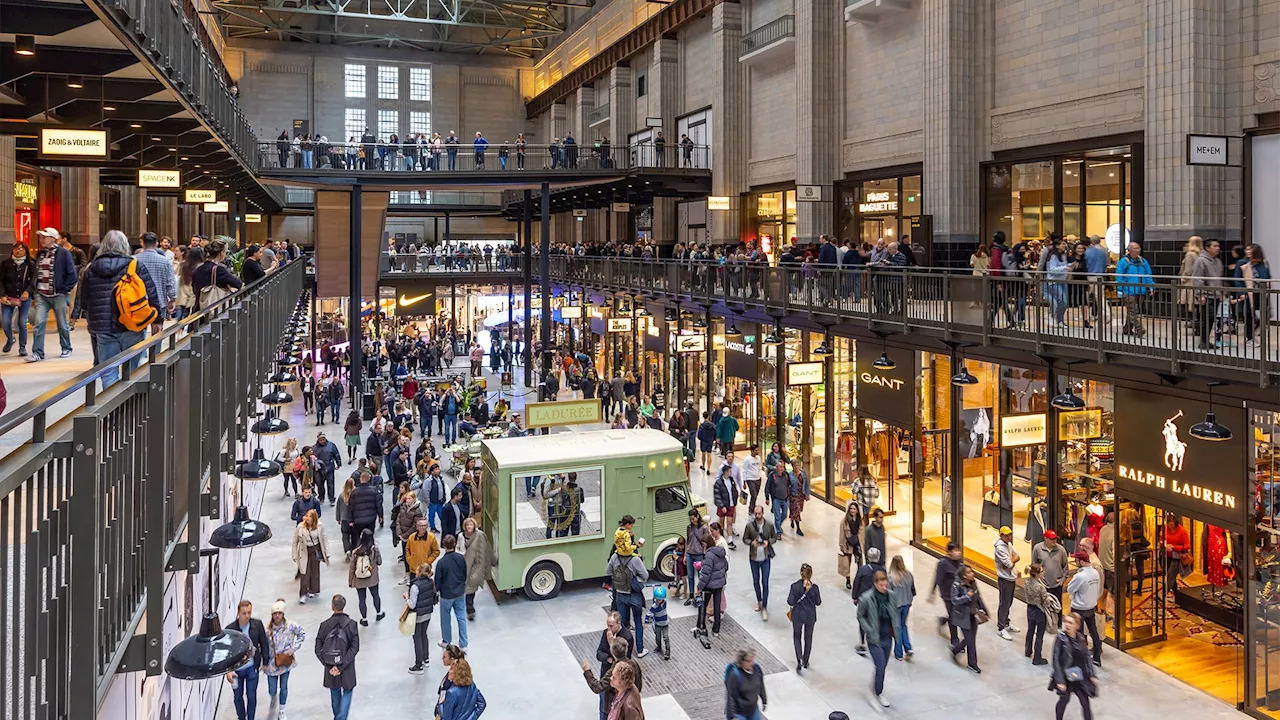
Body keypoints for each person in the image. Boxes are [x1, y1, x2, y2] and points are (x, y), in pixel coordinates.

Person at [80, 230, 163, 387]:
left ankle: (113, 407)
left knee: (108, 371)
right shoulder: (135, 265)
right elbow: (151, 293)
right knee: (132, 369)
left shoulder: (90, 269)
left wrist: (91, 320)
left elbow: (84, 301)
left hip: (103, 327)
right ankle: (128, 404)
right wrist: (157, 320)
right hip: (131, 324)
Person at [27, 228, 78, 363]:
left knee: (62, 323)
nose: (41, 239)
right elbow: (37, 273)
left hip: (58, 295)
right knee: (39, 323)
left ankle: (66, 347)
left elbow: (72, 275)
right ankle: (38, 352)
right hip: (42, 294)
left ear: (53, 238)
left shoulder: (64, 254)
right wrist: (34, 290)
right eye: (41, 237)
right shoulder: (41, 254)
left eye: (45, 237)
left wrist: (64, 290)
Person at [315, 595, 360, 720]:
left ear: (332, 606)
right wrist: (342, 665)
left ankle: (338, 717)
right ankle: (341, 718)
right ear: (344, 606)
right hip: (347, 667)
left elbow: (318, 648)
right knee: (348, 690)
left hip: (330, 667)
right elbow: (355, 647)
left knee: (334, 691)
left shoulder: (324, 625)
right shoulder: (352, 625)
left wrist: (329, 665)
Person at [856, 569, 897, 707]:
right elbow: (860, 615)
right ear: (875, 584)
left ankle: (876, 685)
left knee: (883, 666)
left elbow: (894, 615)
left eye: (886, 584)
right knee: (879, 665)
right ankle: (878, 692)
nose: (884, 587)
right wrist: (868, 629)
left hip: (887, 636)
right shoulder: (867, 598)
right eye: (881, 585)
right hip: (875, 637)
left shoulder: (891, 596)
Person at [224, 600, 270, 720]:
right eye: (244, 613)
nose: (247, 616)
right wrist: (228, 671)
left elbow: (264, 643)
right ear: (238, 613)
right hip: (236, 671)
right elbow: (226, 653)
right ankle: (241, 717)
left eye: (249, 612)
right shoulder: (230, 630)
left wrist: (265, 663)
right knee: (238, 697)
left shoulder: (257, 624)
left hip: (251, 668)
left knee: (251, 696)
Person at [607, 532, 650, 657]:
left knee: (623, 624)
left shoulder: (615, 557)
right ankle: (640, 649)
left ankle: (623, 650)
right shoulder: (635, 559)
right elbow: (645, 576)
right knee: (637, 621)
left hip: (620, 595)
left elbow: (608, 571)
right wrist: (635, 579)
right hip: (633, 595)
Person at [1051, 612, 1098, 720]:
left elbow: (1087, 657)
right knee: (1064, 700)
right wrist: (1060, 681)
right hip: (1066, 675)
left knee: (1085, 702)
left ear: (1077, 625)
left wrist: (1091, 674)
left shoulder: (1081, 638)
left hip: (1079, 675)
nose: (1067, 625)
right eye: (1066, 622)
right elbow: (1056, 660)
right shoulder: (1060, 638)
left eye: (1070, 623)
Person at [264, 599, 306, 720]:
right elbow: (262, 646)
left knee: (284, 686)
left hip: (286, 662)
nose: (277, 615)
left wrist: (293, 648)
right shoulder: (268, 630)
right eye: (275, 613)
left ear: (283, 614)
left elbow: (302, 633)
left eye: (279, 613)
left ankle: (282, 709)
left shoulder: (291, 626)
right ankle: (273, 698)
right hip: (272, 664)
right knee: (272, 689)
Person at [582, 637, 643, 719]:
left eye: (614, 678)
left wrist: (587, 671)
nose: (611, 678)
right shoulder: (633, 665)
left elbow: (597, 687)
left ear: (622, 681)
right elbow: (639, 685)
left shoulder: (628, 706)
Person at [1067, 550, 1103, 667]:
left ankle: (1080, 659)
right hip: (1091, 607)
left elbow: (1070, 589)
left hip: (1079, 608)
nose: (1075, 562)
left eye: (1076, 560)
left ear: (1081, 562)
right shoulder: (1095, 573)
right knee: (1094, 632)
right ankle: (1097, 658)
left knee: (1079, 635)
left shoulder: (1080, 576)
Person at [135, 232, 176, 331]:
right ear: (157, 244)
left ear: (142, 243)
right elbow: (170, 282)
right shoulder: (165, 261)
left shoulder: (134, 260)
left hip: (138, 300)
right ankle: (156, 347)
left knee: (140, 330)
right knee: (157, 330)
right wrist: (172, 298)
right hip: (159, 300)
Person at [740, 505, 776, 620]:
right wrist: (751, 543)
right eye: (756, 514)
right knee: (756, 581)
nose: (757, 516)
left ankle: (764, 606)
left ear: (763, 513)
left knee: (765, 583)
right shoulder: (750, 526)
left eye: (759, 513)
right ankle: (759, 601)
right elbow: (745, 539)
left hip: (765, 558)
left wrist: (768, 542)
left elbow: (774, 537)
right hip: (754, 558)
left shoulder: (769, 525)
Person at [949, 565, 987, 673]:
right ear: (964, 575)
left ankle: (956, 649)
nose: (972, 574)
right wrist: (967, 597)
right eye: (969, 572)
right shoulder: (956, 585)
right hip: (962, 616)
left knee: (970, 639)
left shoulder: (973, 583)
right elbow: (954, 600)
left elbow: (978, 597)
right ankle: (972, 664)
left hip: (972, 615)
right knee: (970, 641)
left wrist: (983, 609)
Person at [695, 522, 729, 642]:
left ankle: (700, 626)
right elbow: (726, 566)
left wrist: (699, 587)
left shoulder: (709, 555)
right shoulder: (720, 552)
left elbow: (706, 574)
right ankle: (716, 630)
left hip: (709, 586)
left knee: (702, 607)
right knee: (717, 607)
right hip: (719, 584)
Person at [0, 242, 35, 356]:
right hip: (8, 297)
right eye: (16, 249)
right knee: (5, 322)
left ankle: (22, 347)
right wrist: (2, 295)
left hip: (24, 297)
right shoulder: (5, 264)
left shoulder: (30, 264)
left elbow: (33, 281)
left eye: (21, 249)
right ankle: (10, 339)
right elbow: (1, 281)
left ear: (25, 251)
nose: (18, 251)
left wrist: (27, 292)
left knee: (22, 322)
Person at [786, 563, 821, 673]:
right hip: (810, 615)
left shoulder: (794, 586)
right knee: (808, 638)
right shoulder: (814, 588)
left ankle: (799, 659)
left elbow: (790, 601)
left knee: (797, 636)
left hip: (797, 615)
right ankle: (806, 660)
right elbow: (818, 602)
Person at [436, 533, 469, 649]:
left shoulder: (441, 563)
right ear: (455, 544)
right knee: (461, 618)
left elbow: (438, 581)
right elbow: (465, 573)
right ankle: (463, 643)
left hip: (446, 595)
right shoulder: (460, 558)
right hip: (460, 592)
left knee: (445, 619)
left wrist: (437, 591)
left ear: (444, 546)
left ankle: (446, 640)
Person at [1114, 241, 1153, 338]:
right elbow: (1119, 276)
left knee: (1133, 311)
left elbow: (1148, 274)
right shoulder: (1124, 262)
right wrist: (1120, 290)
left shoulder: (1143, 261)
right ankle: (1140, 329)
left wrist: (1151, 286)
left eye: (1138, 248)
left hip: (1141, 291)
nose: (1137, 250)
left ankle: (1127, 329)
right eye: (1135, 248)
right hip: (1128, 291)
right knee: (1133, 311)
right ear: (1129, 250)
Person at [1024, 563, 1060, 666]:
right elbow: (1046, 602)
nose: (1043, 572)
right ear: (1037, 574)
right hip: (1039, 611)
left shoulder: (1027, 582)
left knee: (1030, 630)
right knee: (1039, 635)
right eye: (1042, 571)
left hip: (1030, 608)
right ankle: (1037, 657)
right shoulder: (1040, 587)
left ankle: (1028, 650)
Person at [191, 238, 242, 311]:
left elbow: (194, 289)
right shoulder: (219, 270)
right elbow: (238, 283)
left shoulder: (197, 269)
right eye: (225, 252)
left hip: (199, 309)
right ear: (221, 253)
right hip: (214, 309)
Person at [404, 562, 437, 674]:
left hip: (417, 615)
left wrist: (406, 598)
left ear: (418, 572)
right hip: (428, 613)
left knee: (416, 637)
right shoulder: (430, 582)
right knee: (424, 634)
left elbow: (412, 604)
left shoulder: (415, 586)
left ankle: (418, 665)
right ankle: (426, 658)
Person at [347, 528, 385, 626]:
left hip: (359, 579)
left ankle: (364, 619)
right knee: (375, 595)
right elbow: (380, 562)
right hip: (372, 578)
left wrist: (350, 581)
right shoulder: (374, 550)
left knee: (362, 599)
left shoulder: (356, 552)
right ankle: (378, 613)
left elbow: (352, 568)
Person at [291, 509, 329, 602]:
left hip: (315, 549)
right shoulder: (300, 527)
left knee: (315, 571)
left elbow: (324, 538)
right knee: (304, 572)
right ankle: (303, 594)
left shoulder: (320, 526)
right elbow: (295, 541)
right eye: (307, 516)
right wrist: (294, 555)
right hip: (304, 551)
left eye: (310, 516)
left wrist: (327, 552)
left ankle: (313, 589)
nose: (307, 518)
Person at [931, 542, 964, 645]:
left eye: (958, 550)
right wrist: (933, 592)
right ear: (949, 552)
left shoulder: (960, 561)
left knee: (956, 613)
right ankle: (954, 639)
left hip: (958, 593)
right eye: (955, 550)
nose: (958, 553)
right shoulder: (943, 563)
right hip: (947, 594)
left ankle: (943, 620)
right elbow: (938, 578)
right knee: (953, 615)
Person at [462, 517, 494, 622]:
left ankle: (470, 610)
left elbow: (487, 548)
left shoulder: (480, 535)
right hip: (464, 566)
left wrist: (492, 560)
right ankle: (470, 608)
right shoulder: (461, 536)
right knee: (469, 588)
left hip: (476, 566)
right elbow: (458, 549)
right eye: (467, 525)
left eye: (471, 525)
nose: (469, 527)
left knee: (470, 587)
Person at [724, 649, 767, 720]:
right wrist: (732, 716)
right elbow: (731, 696)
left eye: (752, 660)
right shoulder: (735, 675)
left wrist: (764, 700)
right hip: (739, 713)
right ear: (741, 661)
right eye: (748, 661)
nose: (752, 663)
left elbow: (761, 685)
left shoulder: (757, 669)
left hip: (753, 709)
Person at [887, 555, 916, 661]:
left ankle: (898, 652)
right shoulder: (909, 575)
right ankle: (908, 648)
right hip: (907, 604)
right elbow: (913, 590)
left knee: (897, 628)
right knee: (903, 625)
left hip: (896, 606)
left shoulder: (891, 578)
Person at [994, 525, 1020, 640]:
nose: (1009, 537)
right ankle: (1001, 627)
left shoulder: (1008, 544)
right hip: (1004, 579)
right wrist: (1010, 562)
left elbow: (1017, 556)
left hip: (1011, 577)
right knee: (1004, 603)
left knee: (1009, 602)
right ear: (1001, 536)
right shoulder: (999, 548)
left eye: (1010, 534)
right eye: (1006, 535)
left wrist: (1011, 561)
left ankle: (1006, 622)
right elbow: (1008, 564)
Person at [1033, 529, 1070, 609]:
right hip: (1042, 585)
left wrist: (1062, 581)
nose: (1054, 541)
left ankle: (1058, 622)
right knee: (1044, 608)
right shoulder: (1037, 548)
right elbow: (1034, 566)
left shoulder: (1061, 550)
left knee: (1057, 608)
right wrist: (1037, 581)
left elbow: (1066, 568)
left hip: (1057, 586)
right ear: (1045, 538)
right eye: (1051, 539)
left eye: (1055, 538)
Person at [404, 517, 441, 586]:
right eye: (421, 526)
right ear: (417, 527)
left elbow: (436, 551)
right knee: (413, 589)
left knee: (425, 590)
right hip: (413, 570)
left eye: (425, 525)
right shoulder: (411, 537)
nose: (423, 528)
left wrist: (428, 562)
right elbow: (407, 550)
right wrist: (410, 560)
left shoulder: (431, 537)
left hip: (425, 571)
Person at [684, 509, 709, 603]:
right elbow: (688, 540)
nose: (692, 521)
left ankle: (699, 594)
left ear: (697, 517)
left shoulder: (703, 528)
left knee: (700, 576)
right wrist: (685, 555)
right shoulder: (689, 527)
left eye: (693, 518)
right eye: (690, 519)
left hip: (699, 554)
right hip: (690, 553)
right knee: (690, 576)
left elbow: (706, 541)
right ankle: (691, 595)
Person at [712, 464, 739, 552]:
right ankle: (721, 538)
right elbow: (717, 495)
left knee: (730, 522)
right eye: (729, 471)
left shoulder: (731, 481)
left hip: (730, 504)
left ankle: (730, 540)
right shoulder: (718, 483)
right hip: (723, 506)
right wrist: (721, 505)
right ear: (725, 472)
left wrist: (735, 501)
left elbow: (734, 491)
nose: (731, 473)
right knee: (722, 523)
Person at [837, 501, 863, 590]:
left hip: (857, 545)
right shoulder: (844, 521)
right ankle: (848, 579)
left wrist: (862, 544)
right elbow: (842, 534)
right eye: (851, 508)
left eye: (854, 509)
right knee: (847, 563)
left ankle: (859, 579)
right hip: (848, 544)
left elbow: (862, 533)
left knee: (860, 563)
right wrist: (841, 545)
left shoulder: (860, 520)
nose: (852, 510)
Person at [763, 460, 791, 537]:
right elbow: (767, 486)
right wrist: (767, 497)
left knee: (784, 515)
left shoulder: (786, 475)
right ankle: (778, 532)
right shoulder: (772, 476)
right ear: (776, 467)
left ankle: (778, 526)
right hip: (776, 499)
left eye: (783, 467)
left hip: (785, 498)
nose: (782, 468)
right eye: (780, 467)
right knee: (777, 516)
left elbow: (790, 484)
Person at [644, 586, 671, 661]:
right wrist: (646, 622)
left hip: (665, 624)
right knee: (658, 637)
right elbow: (649, 614)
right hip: (658, 624)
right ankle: (659, 647)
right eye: (658, 599)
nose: (659, 601)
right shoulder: (654, 606)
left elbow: (660, 607)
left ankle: (667, 652)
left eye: (661, 599)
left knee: (666, 638)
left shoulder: (664, 603)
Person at [741, 444, 763, 510]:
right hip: (750, 479)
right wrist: (744, 482)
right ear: (752, 451)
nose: (757, 452)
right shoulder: (747, 459)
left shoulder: (758, 458)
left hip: (758, 478)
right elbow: (744, 470)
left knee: (756, 495)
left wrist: (760, 475)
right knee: (754, 495)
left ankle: (753, 505)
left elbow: (759, 467)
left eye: (758, 450)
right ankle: (751, 508)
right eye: (756, 450)